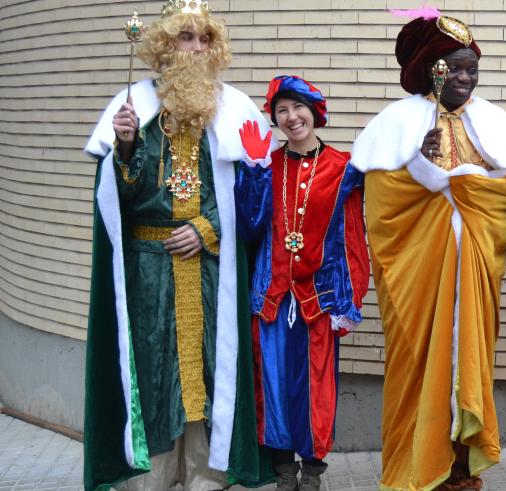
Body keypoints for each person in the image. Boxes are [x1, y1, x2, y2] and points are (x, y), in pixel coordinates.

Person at [81, 1, 274, 489]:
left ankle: (207, 473)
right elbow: (120, 197)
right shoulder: (135, 109)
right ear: (165, 45)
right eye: (185, 37)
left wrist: (208, 230)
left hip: (212, 266)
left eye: (204, 38)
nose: (196, 47)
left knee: (210, 367)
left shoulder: (233, 108)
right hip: (150, 265)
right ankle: (154, 474)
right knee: (152, 363)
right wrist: (124, 149)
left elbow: (252, 194)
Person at [349, 8, 506, 491]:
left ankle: (461, 469)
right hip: (417, 277)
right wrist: (418, 170)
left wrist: (464, 184)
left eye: (472, 68)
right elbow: (383, 206)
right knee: (415, 360)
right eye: (455, 66)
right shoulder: (398, 122)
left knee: (471, 360)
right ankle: (414, 468)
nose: (466, 77)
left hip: (475, 271)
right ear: (432, 68)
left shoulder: (494, 121)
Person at [235, 75, 370, 491]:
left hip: (320, 297)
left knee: (315, 386)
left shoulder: (344, 169)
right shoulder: (268, 166)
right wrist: (254, 171)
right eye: (282, 110)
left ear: (314, 112)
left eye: (298, 108)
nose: (291, 117)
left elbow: (352, 239)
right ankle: (282, 472)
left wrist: (350, 299)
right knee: (273, 382)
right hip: (272, 294)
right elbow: (250, 226)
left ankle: (312, 472)